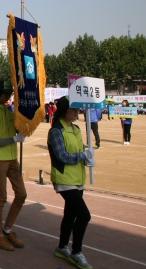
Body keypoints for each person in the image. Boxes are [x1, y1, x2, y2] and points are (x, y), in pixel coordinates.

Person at [49, 97, 95, 269]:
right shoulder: (56, 131)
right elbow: (62, 156)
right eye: (73, 109)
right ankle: (76, 252)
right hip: (64, 178)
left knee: (70, 214)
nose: (77, 112)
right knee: (84, 215)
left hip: (77, 178)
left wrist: (88, 159)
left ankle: (61, 247)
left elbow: (79, 150)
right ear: (63, 111)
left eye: (77, 109)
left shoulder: (75, 129)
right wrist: (83, 156)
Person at [0, 79, 27, 252]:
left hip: (11, 159)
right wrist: (13, 139)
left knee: (22, 194)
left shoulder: (9, 111)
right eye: (6, 93)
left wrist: (24, 127)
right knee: (1, 197)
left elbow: (16, 130)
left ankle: (7, 229)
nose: (9, 96)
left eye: (10, 93)